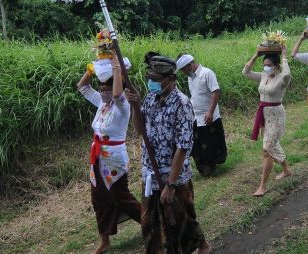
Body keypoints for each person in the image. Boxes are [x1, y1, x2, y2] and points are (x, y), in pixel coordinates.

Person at [127, 56, 211, 254]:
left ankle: (201, 243)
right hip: (151, 174)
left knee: (180, 218)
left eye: (156, 78)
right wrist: (135, 106)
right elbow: (140, 131)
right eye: (150, 77)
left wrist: (171, 185)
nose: (152, 82)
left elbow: (182, 147)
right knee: (150, 222)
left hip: (174, 176)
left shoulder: (182, 104)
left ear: (170, 78)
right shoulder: (149, 99)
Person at [77, 44, 141, 254]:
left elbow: (115, 95)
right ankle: (104, 240)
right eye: (102, 88)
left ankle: (151, 224)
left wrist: (115, 65)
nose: (103, 91)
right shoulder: (101, 104)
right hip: (97, 157)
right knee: (98, 198)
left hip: (114, 158)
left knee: (120, 196)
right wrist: (92, 68)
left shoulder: (121, 105)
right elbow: (83, 87)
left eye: (107, 87)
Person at [242, 46, 292, 197]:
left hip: (276, 116)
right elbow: (245, 72)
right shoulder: (263, 76)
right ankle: (287, 170)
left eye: (269, 65)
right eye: (264, 65)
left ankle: (262, 185)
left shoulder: (282, 79)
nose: (266, 67)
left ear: (276, 66)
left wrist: (284, 56)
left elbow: (287, 74)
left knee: (267, 149)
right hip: (264, 115)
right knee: (271, 145)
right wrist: (256, 55)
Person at [176, 54, 227, 177]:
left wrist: (210, 112)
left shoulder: (207, 73)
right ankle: (204, 169)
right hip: (196, 117)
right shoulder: (191, 77)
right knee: (197, 145)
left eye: (184, 69)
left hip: (210, 116)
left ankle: (211, 168)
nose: (183, 73)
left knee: (211, 144)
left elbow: (216, 92)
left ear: (189, 65)